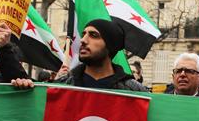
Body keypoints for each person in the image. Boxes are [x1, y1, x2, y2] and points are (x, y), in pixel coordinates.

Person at [11, 19, 145, 91]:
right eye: (84, 34)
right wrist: (25, 92)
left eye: (93, 35)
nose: (83, 40)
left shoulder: (134, 91)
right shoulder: (60, 86)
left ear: (110, 46)